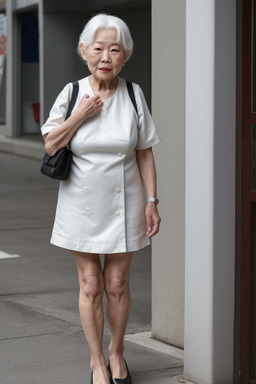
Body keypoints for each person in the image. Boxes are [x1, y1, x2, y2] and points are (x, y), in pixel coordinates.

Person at [41, 13, 161, 384]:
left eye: (115, 49)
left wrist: (152, 201)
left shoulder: (133, 93)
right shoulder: (72, 92)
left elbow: (144, 152)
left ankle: (117, 352)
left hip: (125, 200)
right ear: (84, 51)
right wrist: (80, 115)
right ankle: (97, 362)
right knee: (91, 284)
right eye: (98, 48)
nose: (106, 56)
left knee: (117, 284)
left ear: (125, 55)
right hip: (81, 201)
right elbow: (50, 143)